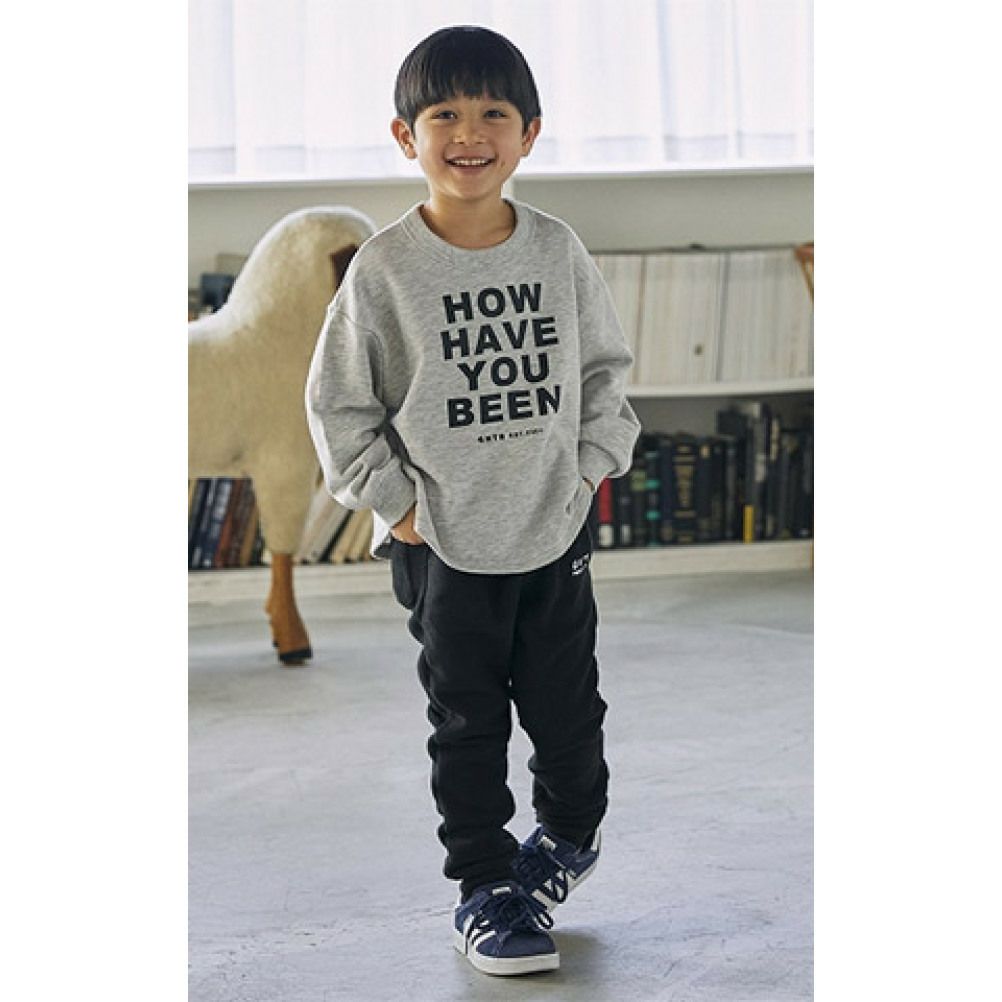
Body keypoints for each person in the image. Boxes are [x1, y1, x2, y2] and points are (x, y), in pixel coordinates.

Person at [305, 25, 641, 977]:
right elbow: (339, 405)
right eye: (443, 113)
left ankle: (568, 837)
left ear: (529, 133)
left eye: (495, 112)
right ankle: (486, 889)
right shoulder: (384, 270)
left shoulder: (556, 249)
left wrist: (588, 468)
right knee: (468, 726)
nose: (469, 132)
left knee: (569, 714)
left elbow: (605, 372)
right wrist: (399, 508)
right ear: (405, 136)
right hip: (443, 547)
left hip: (553, 531)